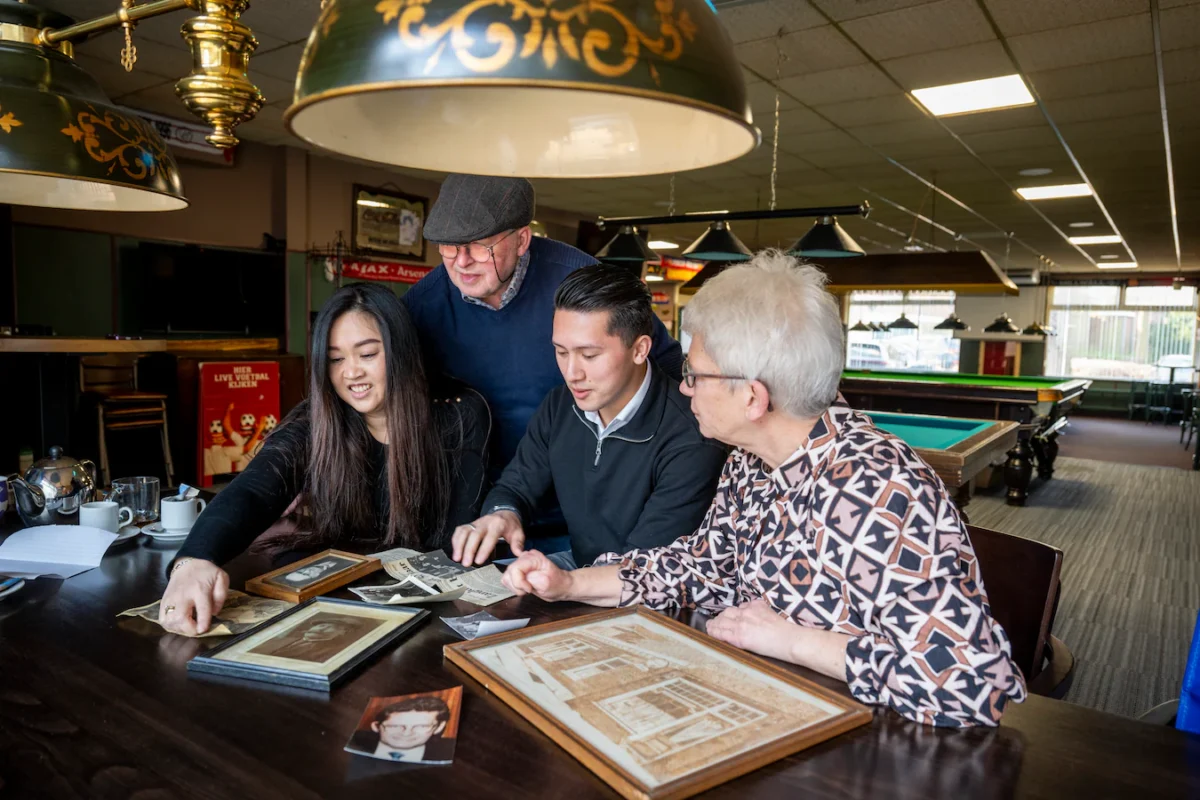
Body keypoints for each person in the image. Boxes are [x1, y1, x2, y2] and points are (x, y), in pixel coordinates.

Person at [501, 250, 1028, 728]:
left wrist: (791, 641)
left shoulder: (880, 489)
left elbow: (972, 687)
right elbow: (698, 568)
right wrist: (570, 585)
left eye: (695, 374)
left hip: (867, 749)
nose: (683, 388)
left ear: (753, 397)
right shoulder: (751, 463)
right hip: (758, 711)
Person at [159, 283, 491, 636]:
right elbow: (254, 490)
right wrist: (193, 560)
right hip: (336, 599)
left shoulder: (459, 413)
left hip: (426, 609)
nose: (351, 373)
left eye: (367, 354)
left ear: (401, 351)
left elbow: (458, 542)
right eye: (335, 359)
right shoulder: (318, 420)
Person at [451, 263, 726, 569]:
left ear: (640, 349)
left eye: (589, 356)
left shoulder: (692, 435)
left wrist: (564, 585)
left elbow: (646, 570)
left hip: (647, 589)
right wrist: (503, 514)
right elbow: (516, 485)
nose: (572, 374)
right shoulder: (560, 405)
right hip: (581, 569)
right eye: (561, 352)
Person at [403, 173, 683, 473]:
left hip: (585, 481)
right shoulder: (422, 306)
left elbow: (666, 364)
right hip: (473, 486)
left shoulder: (581, 279)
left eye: (479, 246)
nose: (461, 262)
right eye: (449, 246)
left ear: (522, 240)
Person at [348, 696, 457, 763]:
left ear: (439, 728)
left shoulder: (448, 751)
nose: (406, 733)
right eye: (395, 726)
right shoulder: (354, 741)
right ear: (376, 726)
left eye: (421, 726)